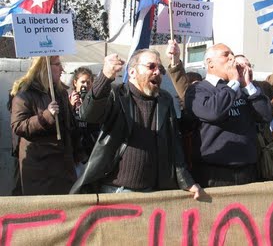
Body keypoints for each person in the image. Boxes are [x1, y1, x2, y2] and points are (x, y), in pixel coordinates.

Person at [69, 49, 201, 199]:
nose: (157, 72)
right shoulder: (116, 94)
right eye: (151, 66)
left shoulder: (165, 100)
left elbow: (174, 146)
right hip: (117, 192)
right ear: (132, 72)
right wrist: (104, 78)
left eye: (160, 68)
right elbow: (89, 114)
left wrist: (186, 181)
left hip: (153, 192)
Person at [184, 43, 273, 187]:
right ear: (210, 63)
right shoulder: (198, 90)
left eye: (232, 54)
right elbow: (213, 112)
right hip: (214, 173)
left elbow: (266, 116)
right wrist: (233, 83)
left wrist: (248, 86)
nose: (232, 58)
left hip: (247, 170)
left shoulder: (241, 88)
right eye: (226, 55)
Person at [10, 56, 80, 195]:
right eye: (57, 64)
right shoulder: (25, 94)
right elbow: (18, 126)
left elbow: (68, 128)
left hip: (63, 168)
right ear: (44, 68)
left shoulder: (60, 92)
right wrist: (46, 116)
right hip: (40, 170)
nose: (62, 69)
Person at [69, 67, 99, 162]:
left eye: (88, 82)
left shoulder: (95, 101)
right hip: (73, 148)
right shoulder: (67, 99)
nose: (85, 85)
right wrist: (70, 107)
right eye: (82, 82)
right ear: (75, 82)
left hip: (90, 148)